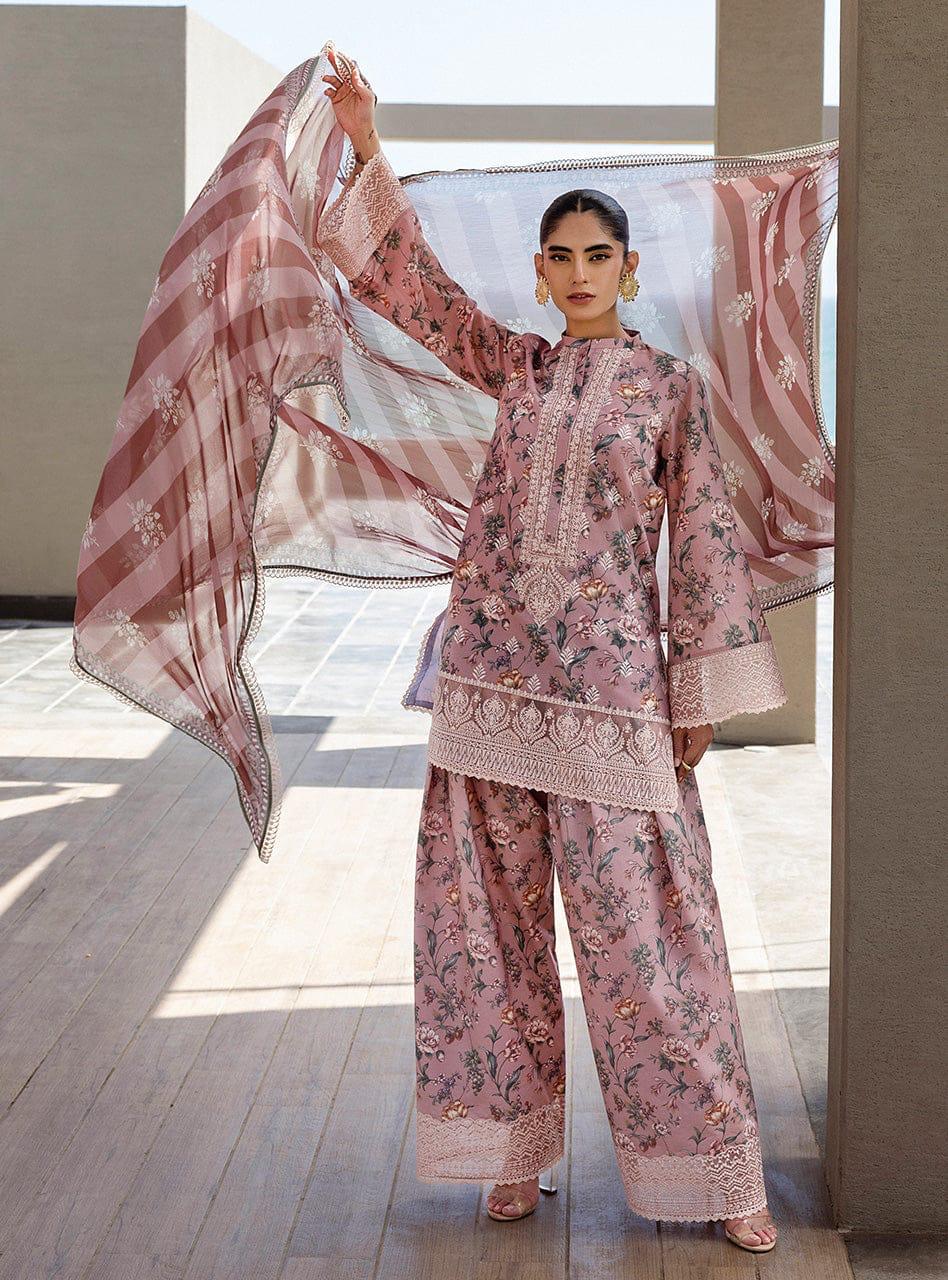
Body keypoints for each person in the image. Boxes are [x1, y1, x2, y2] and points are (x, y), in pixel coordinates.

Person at [320, 45, 783, 1253]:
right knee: (487, 929)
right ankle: (510, 1153)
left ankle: (717, 1169)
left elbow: (710, 543)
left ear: (629, 268)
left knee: (649, 941)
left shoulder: (670, 392)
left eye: (599, 257)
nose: (580, 274)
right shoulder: (515, 367)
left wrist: (701, 691)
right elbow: (412, 294)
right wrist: (371, 147)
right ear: (541, 274)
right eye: (561, 258)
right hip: (490, 686)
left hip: (617, 691)